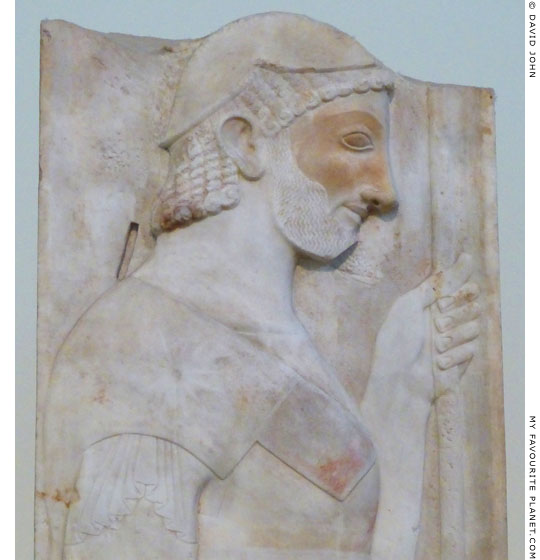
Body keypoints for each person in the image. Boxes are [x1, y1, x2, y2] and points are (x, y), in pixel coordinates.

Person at [42, 13, 480, 560]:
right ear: (245, 142)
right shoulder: (142, 346)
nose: (386, 191)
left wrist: (401, 396)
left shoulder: (268, 332)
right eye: (356, 142)